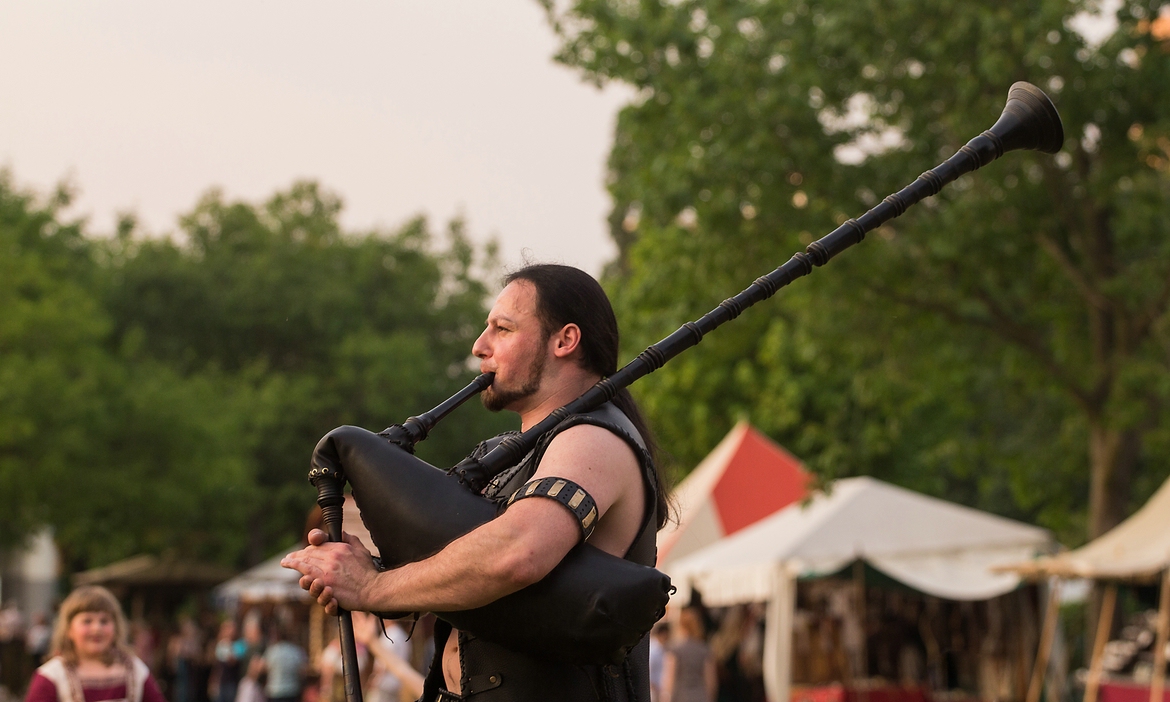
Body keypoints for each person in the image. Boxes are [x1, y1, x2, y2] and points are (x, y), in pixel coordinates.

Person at [283, 263, 668, 701]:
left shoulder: (594, 438)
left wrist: (372, 587)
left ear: (565, 340)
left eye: (502, 329)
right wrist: (367, 572)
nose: (479, 347)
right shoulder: (506, 450)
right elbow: (464, 569)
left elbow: (517, 553)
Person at [23, 585, 166, 702]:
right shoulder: (52, 676)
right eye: (87, 621)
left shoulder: (135, 670)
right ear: (69, 630)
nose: (97, 628)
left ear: (116, 627)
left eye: (104, 621)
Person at [661, 608, 716, 702]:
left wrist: (665, 698)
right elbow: (711, 681)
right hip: (701, 697)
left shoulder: (675, 650)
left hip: (680, 697)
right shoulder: (704, 649)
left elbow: (669, 679)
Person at [259, 626, 305, 702]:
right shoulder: (296, 651)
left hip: (275, 691)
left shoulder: (272, 651)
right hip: (292, 691)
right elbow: (302, 671)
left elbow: (262, 668)